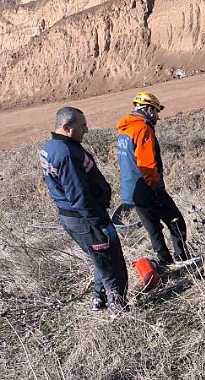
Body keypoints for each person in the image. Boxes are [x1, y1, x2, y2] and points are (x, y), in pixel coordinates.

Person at [39, 107, 128, 315]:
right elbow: (79, 196)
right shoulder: (66, 153)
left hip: (76, 218)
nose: (86, 130)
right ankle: (119, 310)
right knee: (111, 264)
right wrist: (101, 222)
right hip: (86, 219)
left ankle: (100, 298)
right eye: (82, 126)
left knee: (100, 258)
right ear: (66, 127)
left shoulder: (52, 147)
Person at [117, 92, 190, 266]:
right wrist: (157, 188)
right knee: (176, 221)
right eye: (156, 111)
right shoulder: (143, 128)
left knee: (153, 228)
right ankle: (182, 258)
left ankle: (165, 261)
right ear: (149, 109)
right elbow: (146, 163)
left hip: (132, 190)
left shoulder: (124, 130)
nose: (158, 115)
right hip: (147, 187)